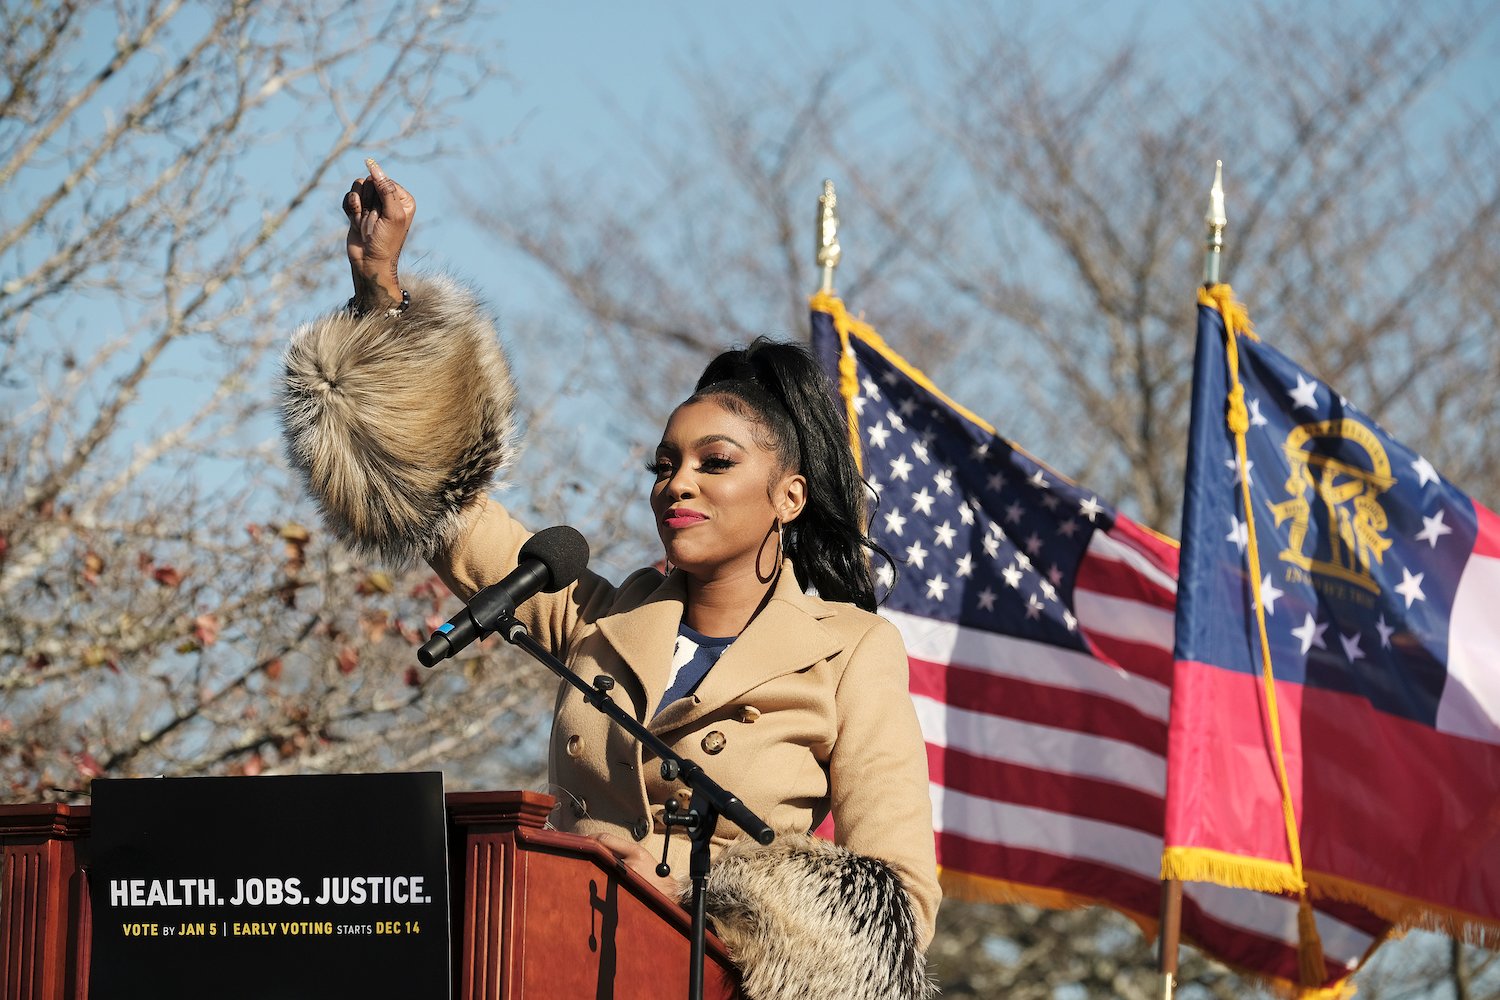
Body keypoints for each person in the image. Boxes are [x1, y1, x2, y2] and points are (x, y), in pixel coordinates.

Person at [281, 161, 940, 1000]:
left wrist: (687, 899)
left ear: (789, 496)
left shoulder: (851, 650)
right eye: (665, 465)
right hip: (551, 964)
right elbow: (443, 502)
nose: (678, 484)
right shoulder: (597, 616)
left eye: (715, 463)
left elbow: (893, 908)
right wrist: (379, 293)